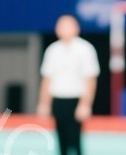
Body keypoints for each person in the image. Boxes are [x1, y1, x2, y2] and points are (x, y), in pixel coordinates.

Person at [39, 15, 99, 155]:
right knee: (61, 138)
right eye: (61, 26)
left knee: (75, 139)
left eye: (67, 25)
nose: (64, 29)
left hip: (76, 98)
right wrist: (44, 103)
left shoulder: (85, 49)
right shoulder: (52, 50)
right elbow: (47, 79)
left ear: (76, 28)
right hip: (58, 99)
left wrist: (85, 104)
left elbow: (90, 79)